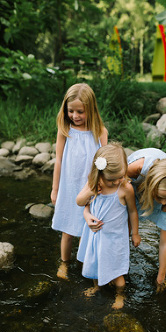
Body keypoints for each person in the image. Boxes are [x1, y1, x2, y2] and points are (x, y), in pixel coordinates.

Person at [85, 148, 166, 293]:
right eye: (160, 198)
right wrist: (87, 211)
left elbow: (164, 243)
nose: (164, 203)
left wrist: (161, 278)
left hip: (162, 183)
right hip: (137, 184)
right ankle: (117, 268)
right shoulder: (135, 169)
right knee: (124, 228)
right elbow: (104, 188)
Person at [51, 83, 108, 280]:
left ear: (90, 109)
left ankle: (85, 266)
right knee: (67, 231)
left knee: (88, 231)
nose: (75, 116)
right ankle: (64, 262)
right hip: (69, 188)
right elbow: (58, 160)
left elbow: (104, 162)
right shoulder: (65, 130)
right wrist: (55, 189)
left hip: (91, 189)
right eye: (71, 111)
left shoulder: (100, 131)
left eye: (80, 112)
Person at [75, 143, 140, 310]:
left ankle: (120, 295)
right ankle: (97, 286)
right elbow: (80, 202)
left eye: (120, 176)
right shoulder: (93, 184)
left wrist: (135, 234)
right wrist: (91, 192)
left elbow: (133, 212)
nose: (117, 181)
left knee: (117, 272)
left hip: (115, 238)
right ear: (99, 173)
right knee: (93, 264)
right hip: (95, 235)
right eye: (111, 179)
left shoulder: (125, 188)